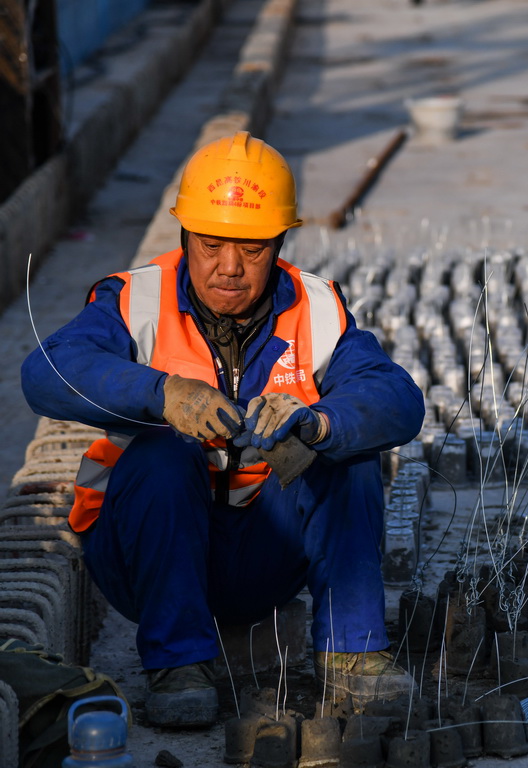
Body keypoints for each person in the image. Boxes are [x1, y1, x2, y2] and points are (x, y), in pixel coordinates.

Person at [20, 131, 425, 727]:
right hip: (144, 557)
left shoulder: (316, 309)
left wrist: (318, 423)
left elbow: (397, 400)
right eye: (210, 245)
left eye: (254, 249)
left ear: (280, 242)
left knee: (349, 454)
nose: (230, 268)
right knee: (163, 456)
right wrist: (161, 394)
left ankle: (352, 651)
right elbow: (46, 373)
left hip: (263, 555)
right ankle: (177, 662)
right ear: (185, 235)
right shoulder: (135, 301)